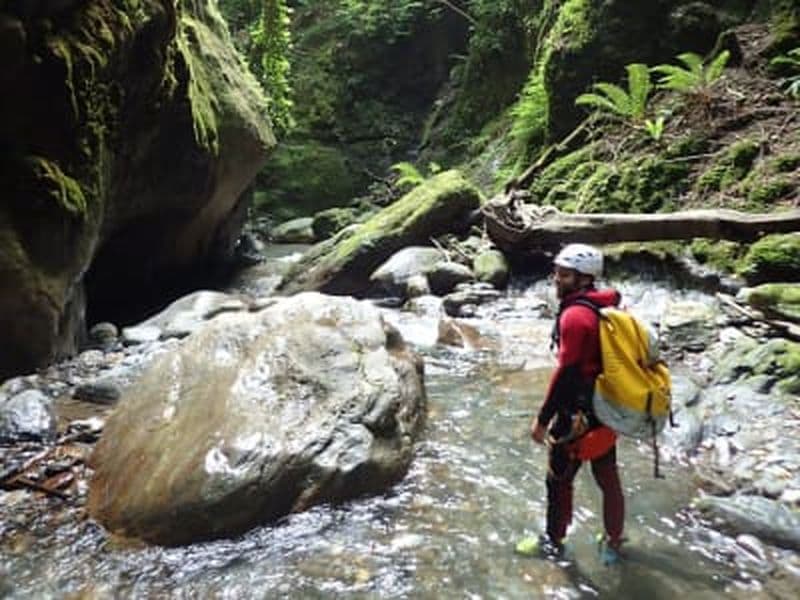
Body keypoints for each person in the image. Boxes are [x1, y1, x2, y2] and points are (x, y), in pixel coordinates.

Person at [522, 243, 625, 565]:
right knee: (608, 477)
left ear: (584, 279)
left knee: (557, 479)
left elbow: (566, 372)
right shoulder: (604, 307)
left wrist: (542, 419)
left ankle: (553, 543)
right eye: (556, 272)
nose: (556, 279)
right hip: (606, 407)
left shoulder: (576, 315)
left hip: (576, 412)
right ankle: (613, 542)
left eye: (564, 275)